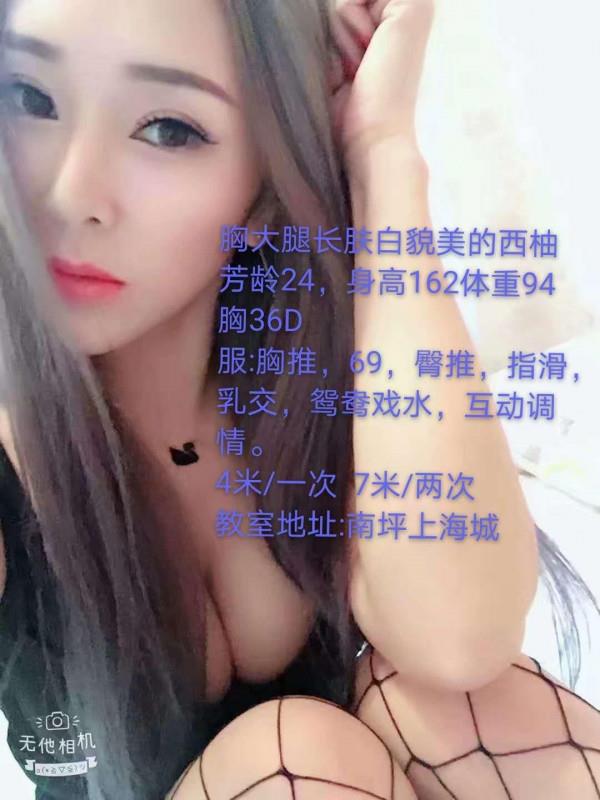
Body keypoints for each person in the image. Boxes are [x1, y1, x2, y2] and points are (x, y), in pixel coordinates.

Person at [0, 1, 598, 799]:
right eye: (29, 98)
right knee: (300, 750)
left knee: (453, 705)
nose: (71, 193)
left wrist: (382, 155)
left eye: (169, 129)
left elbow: (461, 638)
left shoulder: (305, 378)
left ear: (261, 190)